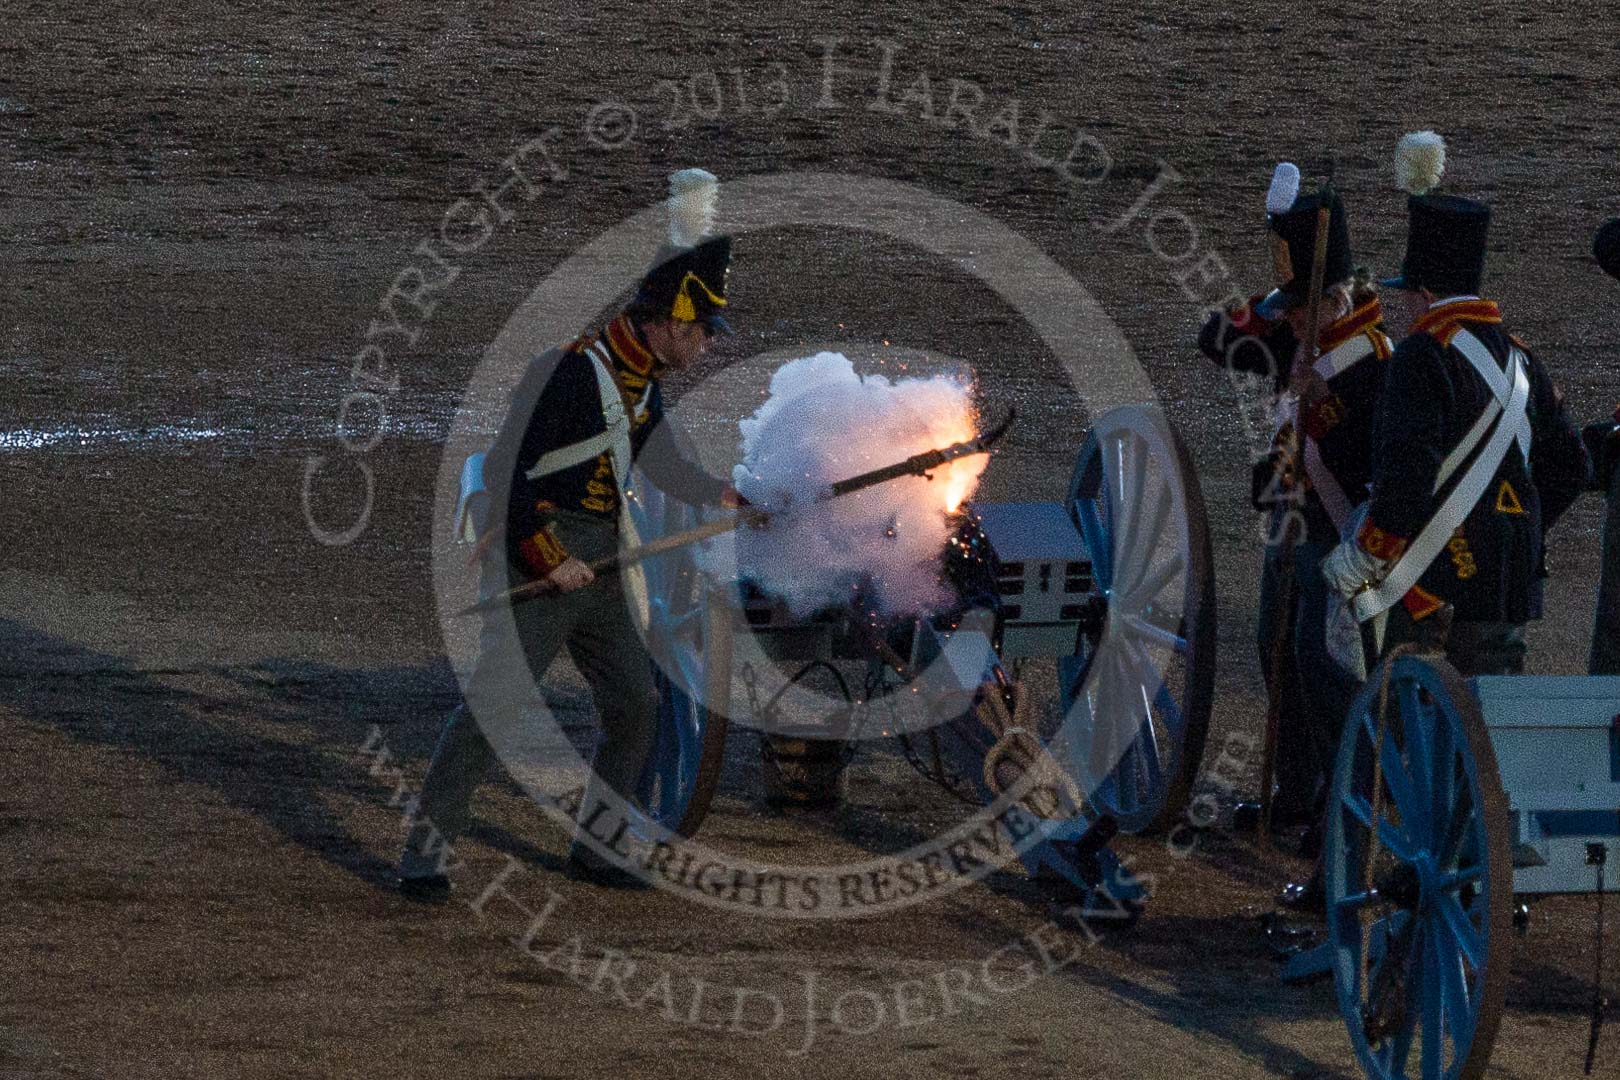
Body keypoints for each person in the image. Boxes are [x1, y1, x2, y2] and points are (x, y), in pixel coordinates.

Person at [397, 169, 745, 900]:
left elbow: (657, 459)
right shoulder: (567, 373)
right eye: (703, 333)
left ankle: (598, 848)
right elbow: (508, 476)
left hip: (607, 565)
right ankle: (424, 858)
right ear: (672, 322)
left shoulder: (643, 378)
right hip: (547, 562)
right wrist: (549, 560)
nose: (707, 347)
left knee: (635, 710)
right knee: (494, 710)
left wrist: (723, 496)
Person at [1322, 143, 1588, 679]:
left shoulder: (1422, 355)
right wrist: (1517, 525)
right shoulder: (1522, 358)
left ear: (1422, 291)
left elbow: (1407, 473)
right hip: (1511, 584)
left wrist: (1362, 558)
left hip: (1433, 585)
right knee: (1490, 735)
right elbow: (1573, 469)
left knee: (1402, 732)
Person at [1198, 162, 1392, 850]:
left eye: (1306, 304)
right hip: (1287, 521)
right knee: (1273, 648)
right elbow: (1215, 339)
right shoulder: (1294, 331)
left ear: (1338, 299)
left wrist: (1321, 404)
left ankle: (1338, 805)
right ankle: (1295, 791)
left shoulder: (1375, 362)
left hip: (1335, 532)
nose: (1297, 316)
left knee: (1319, 661)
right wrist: (1280, 309)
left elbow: (1372, 466)